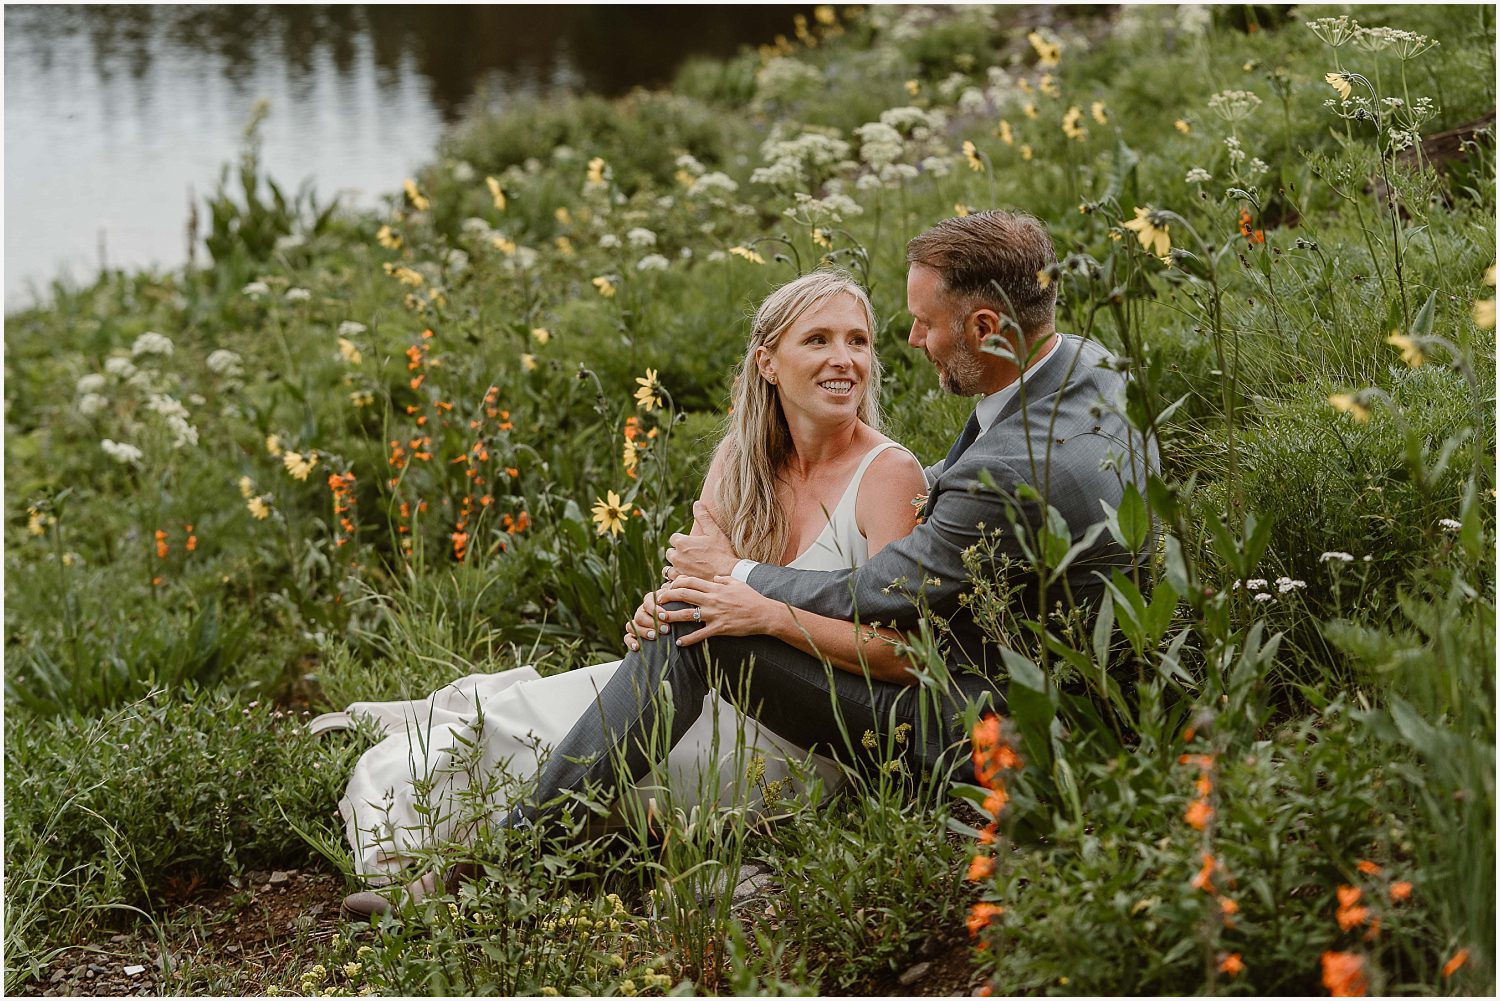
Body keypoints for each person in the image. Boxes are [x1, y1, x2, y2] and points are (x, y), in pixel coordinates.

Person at [511, 209, 1155, 837]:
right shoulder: (1087, 365)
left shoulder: (1010, 466)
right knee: (676, 634)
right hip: (1068, 677)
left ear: (986, 326)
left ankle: (523, 850)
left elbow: (880, 588)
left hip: (982, 730)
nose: (911, 341)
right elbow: (968, 487)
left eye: (924, 324)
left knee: (705, 633)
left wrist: (741, 583)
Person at [328, 269, 930, 917]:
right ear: (768, 364)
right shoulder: (738, 461)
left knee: (606, 766)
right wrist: (662, 607)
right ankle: (491, 861)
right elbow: (693, 592)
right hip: (705, 682)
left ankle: (495, 878)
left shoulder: (889, 474)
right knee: (496, 731)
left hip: (819, 729)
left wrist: (765, 614)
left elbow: (903, 655)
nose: (845, 359)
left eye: (859, 341)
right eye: (818, 339)